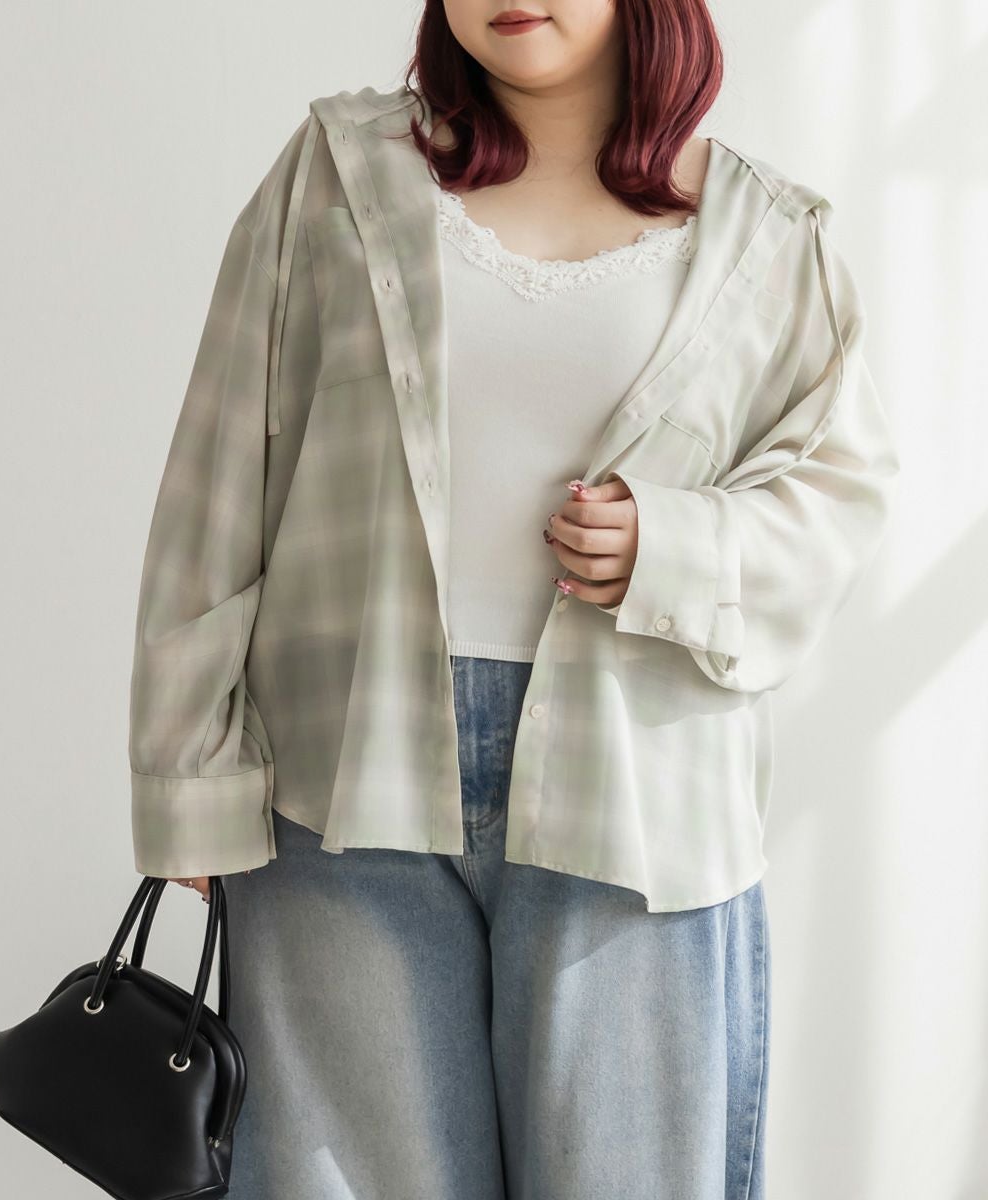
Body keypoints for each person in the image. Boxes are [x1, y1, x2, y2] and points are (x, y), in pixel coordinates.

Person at [127, 2, 900, 1197]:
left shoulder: (766, 234)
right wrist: (187, 775)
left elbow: (839, 500)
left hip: (636, 800)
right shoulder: (338, 172)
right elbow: (219, 477)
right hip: (345, 777)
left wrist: (671, 547)